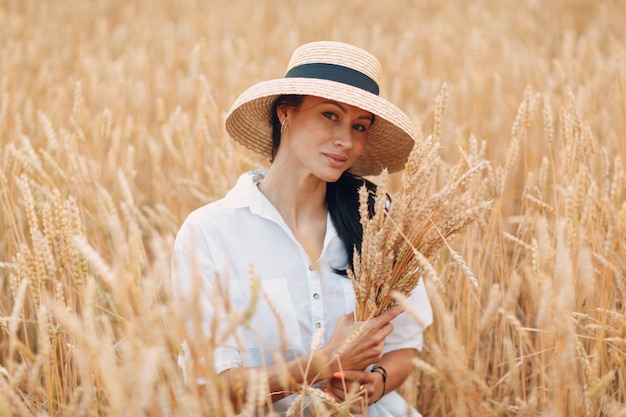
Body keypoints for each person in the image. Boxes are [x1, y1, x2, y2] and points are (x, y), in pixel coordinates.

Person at [171, 41, 433, 416]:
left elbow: (406, 346)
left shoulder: (377, 220)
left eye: (360, 126)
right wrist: (324, 363)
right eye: (330, 115)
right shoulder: (210, 233)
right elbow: (208, 388)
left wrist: (374, 384)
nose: (346, 141)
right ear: (285, 113)